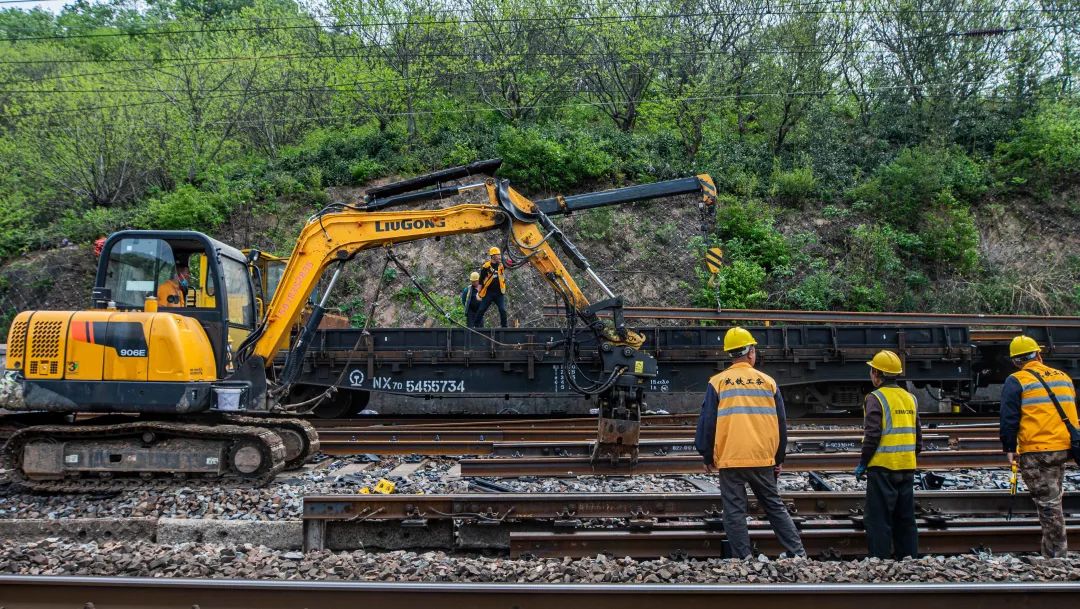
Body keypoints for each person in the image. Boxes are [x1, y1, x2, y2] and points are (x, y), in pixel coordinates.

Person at [694, 327, 805, 559]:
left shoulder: (718, 383)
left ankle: (743, 558)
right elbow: (781, 425)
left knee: (734, 511)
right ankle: (797, 553)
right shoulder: (768, 383)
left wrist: (706, 455)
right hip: (762, 457)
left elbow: (707, 423)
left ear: (730, 354)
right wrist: (779, 459)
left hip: (731, 458)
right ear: (751, 352)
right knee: (774, 506)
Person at [999, 334, 1078, 558]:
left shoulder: (1017, 380)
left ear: (1015, 361)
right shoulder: (1063, 377)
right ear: (1039, 355)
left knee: (1049, 504)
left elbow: (1009, 419)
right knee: (1052, 498)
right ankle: (1050, 552)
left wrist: (1009, 448)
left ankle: (1057, 557)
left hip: (1037, 451)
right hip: (1063, 448)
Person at [855, 350, 922, 559]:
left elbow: (872, 435)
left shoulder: (875, 398)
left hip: (882, 467)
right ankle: (908, 557)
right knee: (905, 518)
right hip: (907, 467)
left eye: (871, 371)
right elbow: (918, 435)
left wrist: (863, 463)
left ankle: (880, 559)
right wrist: (910, 457)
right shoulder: (910, 398)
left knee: (878, 518)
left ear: (877, 373)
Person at [475, 246, 509, 328]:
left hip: (499, 292)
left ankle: (504, 327)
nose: (499, 256)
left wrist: (525, 262)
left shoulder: (502, 265)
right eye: (498, 255)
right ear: (493, 256)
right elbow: (481, 280)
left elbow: (512, 263)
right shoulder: (486, 267)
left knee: (502, 310)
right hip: (488, 293)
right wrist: (478, 293)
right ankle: (476, 326)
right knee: (481, 309)